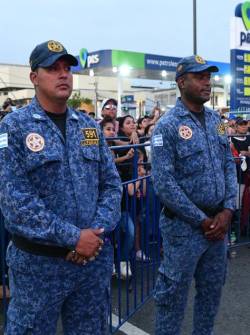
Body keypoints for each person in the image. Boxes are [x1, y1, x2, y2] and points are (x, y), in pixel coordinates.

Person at [0, 40, 122, 335]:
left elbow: (111, 184)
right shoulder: (13, 127)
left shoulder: (89, 127)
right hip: (39, 267)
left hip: (91, 263)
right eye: (53, 69)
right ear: (34, 77)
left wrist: (94, 235)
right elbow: (15, 200)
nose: (63, 74)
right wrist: (73, 238)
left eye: (67, 68)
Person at [151, 55, 237, 335]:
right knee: (172, 298)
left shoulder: (217, 121)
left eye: (208, 77)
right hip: (184, 229)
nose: (207, 82)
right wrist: (201, 220)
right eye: (199, 77)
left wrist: (227, 211)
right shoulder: (167, 125)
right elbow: (164, 183)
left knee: (211, 295)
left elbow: (228, 162)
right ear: (181, 82)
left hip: (219, 224)